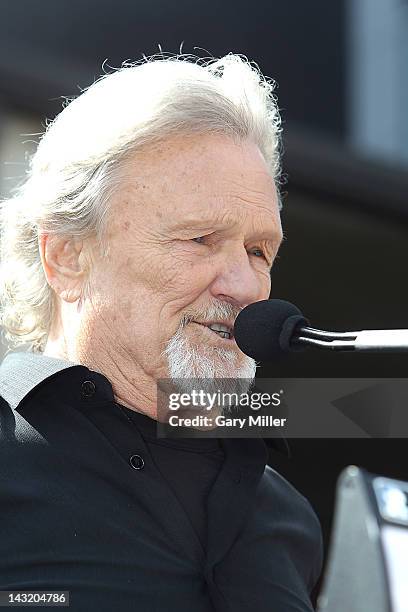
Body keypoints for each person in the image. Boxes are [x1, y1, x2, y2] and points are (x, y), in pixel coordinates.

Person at [0, 53, 322, 611]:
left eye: (258, 250)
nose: (245, 286)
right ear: (68, 256)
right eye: (199, 240)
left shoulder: (285, 515)